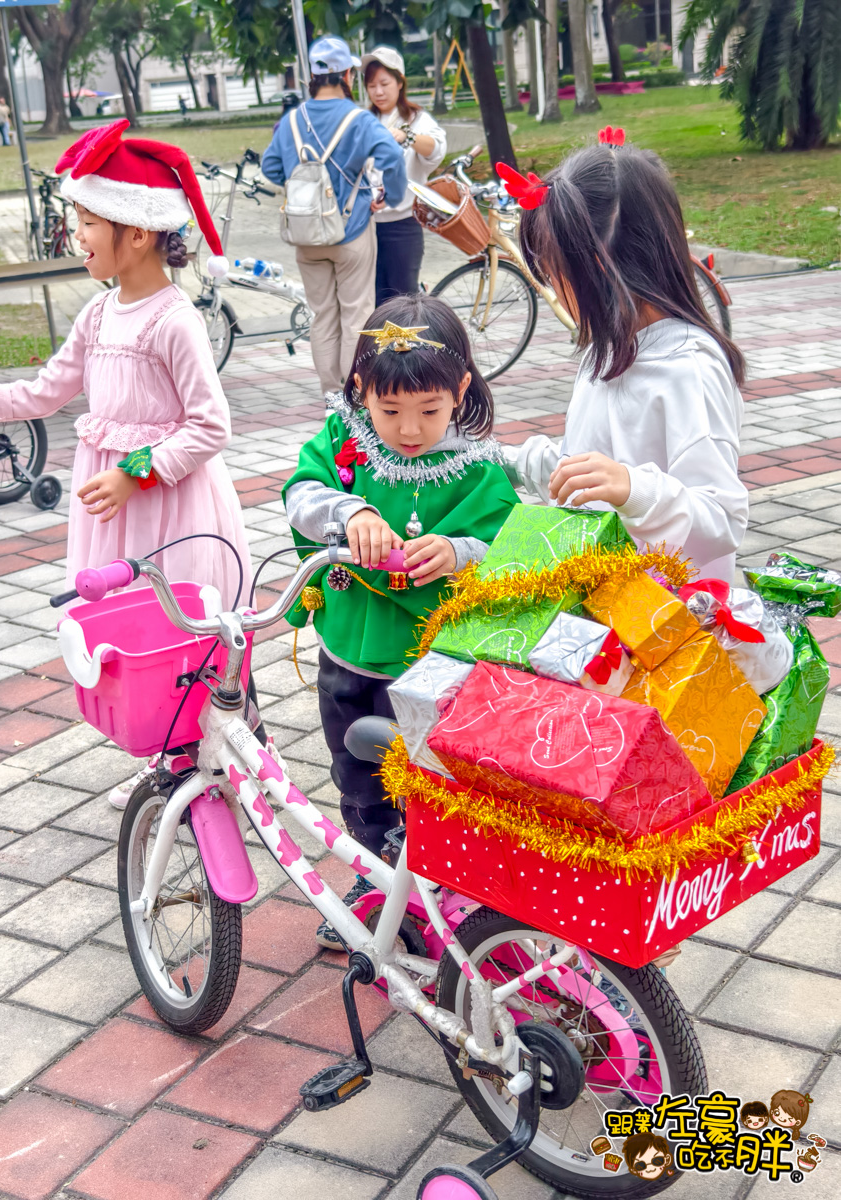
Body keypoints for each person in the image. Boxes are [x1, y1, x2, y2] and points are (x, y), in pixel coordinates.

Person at [0, 119, 253, 808]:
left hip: (168, 504)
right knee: (138, 630)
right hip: (118, 511)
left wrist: (134, 471)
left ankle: (224, 744)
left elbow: (211, 426)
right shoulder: (99, 313)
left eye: (86, 221)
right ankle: (172, 754)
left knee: (183, 625)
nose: (74, 236)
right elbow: (42, 391)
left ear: (135, 232)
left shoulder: (174, 320)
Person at [283, 293, 519, 946]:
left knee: (435, 776)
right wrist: (349, 513)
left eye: (430, 411)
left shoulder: (478, 470)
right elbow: (300, 493)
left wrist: (458, 551)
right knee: (356, 772)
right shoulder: (344, 443)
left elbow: (508, 549)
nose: (409, 428)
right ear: (361, 389)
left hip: (430, 663)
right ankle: (375, 877)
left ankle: (442, 884)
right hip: (349, 654)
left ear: (462, 390)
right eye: (389, 410)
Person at [498, 131, 748, 584]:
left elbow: (723, 520)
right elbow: (589, 466)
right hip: (607, 606)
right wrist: (507, 461)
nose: (555, 293)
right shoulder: (609, 350)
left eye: (557, 276)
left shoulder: (687, 368)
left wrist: (635, 489)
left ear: (599, 268)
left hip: (671, 625)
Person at [262, 36, 408, 398]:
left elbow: (270, 166)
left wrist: (303, 185)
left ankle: (330, 397)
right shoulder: (358, 119)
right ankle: (354, 398)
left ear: (311, 76)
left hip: (305, 235)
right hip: (351, 231)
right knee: (355, 314)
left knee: (322, 316)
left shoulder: (292, 119)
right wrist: (391, 194)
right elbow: (391, 155)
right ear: (347, 74)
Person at [362, 46, 447, 304]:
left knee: (403, 302)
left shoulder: (417, 119)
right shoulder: (363, 121)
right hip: (365, 228)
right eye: (371, 85)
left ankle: (410, 346)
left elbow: (436, 150)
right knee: (372, 302)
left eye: (385, 83)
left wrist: (407, 136)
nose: (378, 91)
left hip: (403, 226)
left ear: (400, 82)